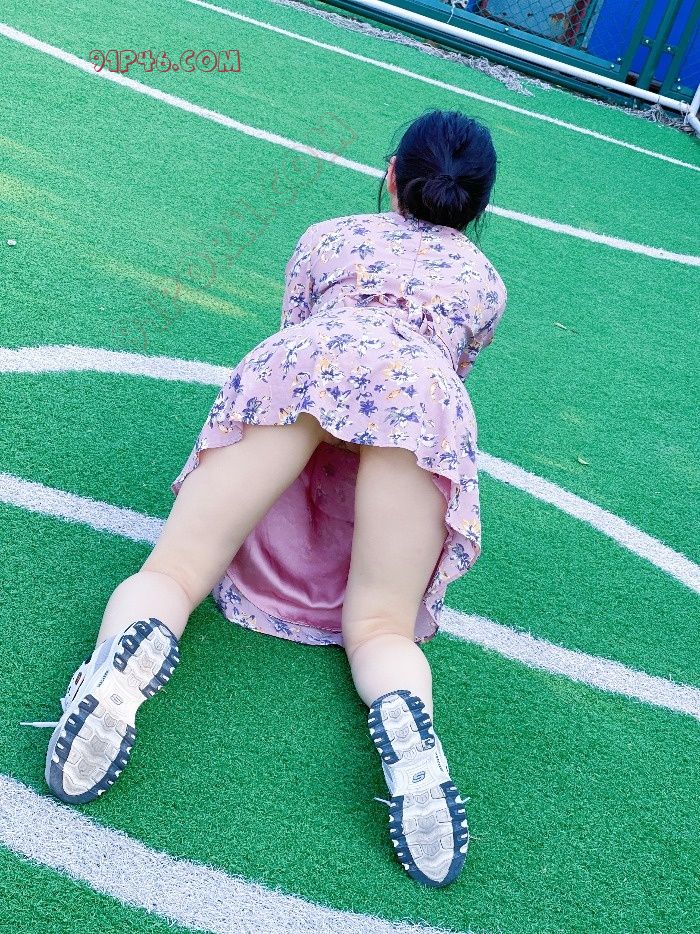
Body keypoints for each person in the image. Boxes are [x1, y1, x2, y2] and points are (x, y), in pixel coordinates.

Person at [24, 108, 507, 889]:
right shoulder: (486, 285)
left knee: (176, 570)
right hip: (421, 397)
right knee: (381, 626)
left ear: (391, 175)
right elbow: (437, 378)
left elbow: (303, 352)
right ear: (478, 207)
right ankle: (413, 746)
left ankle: (114, 674)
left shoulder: (327, 238)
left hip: (307, 363)